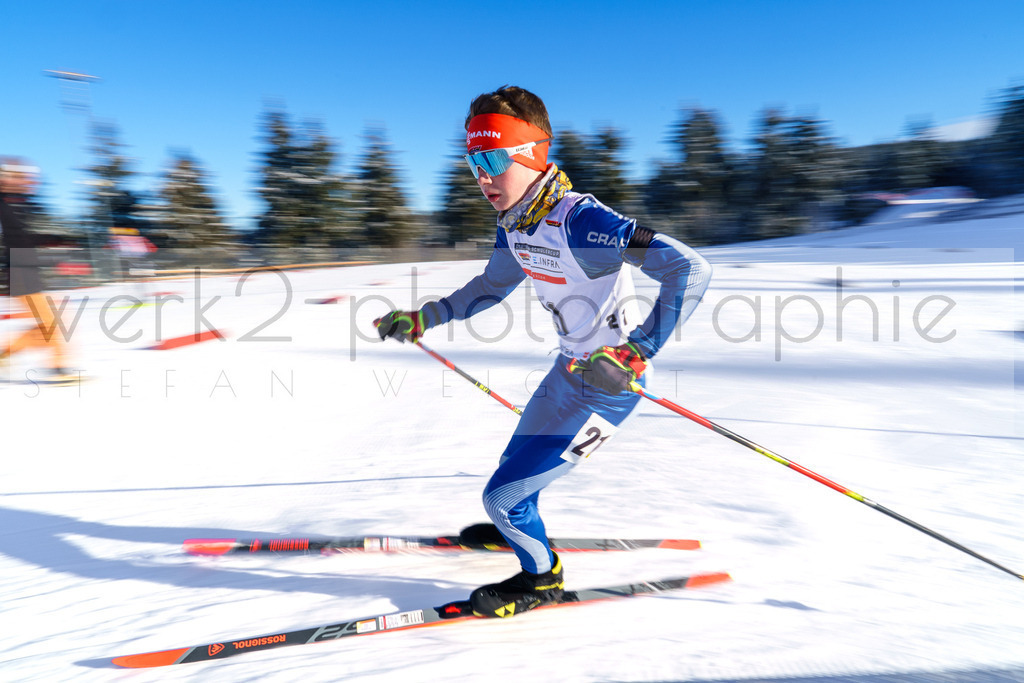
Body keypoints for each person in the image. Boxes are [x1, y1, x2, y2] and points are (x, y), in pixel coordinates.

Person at [375, 86, 712, 618]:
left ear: (531, 156)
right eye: (473, 163)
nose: (482, 178)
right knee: (512, 467)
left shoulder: (582, 222)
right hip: (567, 372)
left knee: (501, 499)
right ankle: (517, 527)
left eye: (492, 160)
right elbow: (489, 287)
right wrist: (424, 317)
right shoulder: (517, 225)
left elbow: (690, 268)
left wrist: (637, 351)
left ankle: (542, 576)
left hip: (610, 388)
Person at [0, 158, 77, 384]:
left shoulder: (22, 203)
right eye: (24, 177)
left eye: (32, 178)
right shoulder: (4, 202)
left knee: (49, 323)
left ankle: (5, 353)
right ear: (9, 178)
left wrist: (56, 239)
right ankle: (59, 368)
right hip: (19, 271)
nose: (31, 182)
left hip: (27, 270)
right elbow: (19, 237)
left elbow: (26, 237)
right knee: (55, 321)